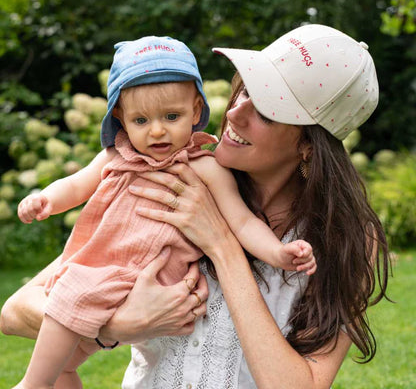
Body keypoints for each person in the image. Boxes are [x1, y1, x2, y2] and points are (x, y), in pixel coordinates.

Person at [0, 24, 389, 389]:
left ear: (309, 145)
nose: (234, 113)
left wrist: (221, 244)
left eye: (267, 110)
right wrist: (117, 325)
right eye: (245, 90)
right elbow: (16, 311)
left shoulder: (345, 239)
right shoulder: (172, 178)